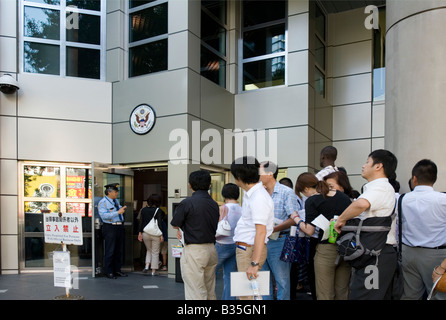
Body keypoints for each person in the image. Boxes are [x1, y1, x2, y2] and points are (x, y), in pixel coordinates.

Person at [334, 149, 398, 300]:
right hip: (376, 253)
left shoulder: (380, 187)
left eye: (367, 162)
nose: (363, 166)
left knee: (364, 296)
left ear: (378, 166)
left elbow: (361, 204)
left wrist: (341, 220)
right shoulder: (376, 188)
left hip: (376, 256)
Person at [292, 172, 352, 300]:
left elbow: (309, 230)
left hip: (326, 249)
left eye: (303, 193)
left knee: (325, 293)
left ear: (306, 189)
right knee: (342, 292)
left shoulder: (312, 200)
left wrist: (296, 219)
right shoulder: (342, 197)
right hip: (346, 248)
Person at [399, 159, 446, 300]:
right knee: (438, 294)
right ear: (435, 179)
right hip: (436, 255)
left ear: (414, 178)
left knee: (410, 295)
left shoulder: (402, 199)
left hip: (408, 253)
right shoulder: (443, 200)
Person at [170, 170, 219, 300]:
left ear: (189, 185)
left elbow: (175, 223)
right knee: (209, 288)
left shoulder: (187, 202)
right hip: (211, 249)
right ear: (209, 185)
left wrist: (181, 228)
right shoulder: (214, 204)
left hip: (195, 250)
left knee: (195, 290)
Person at [230, 156, 274, 300]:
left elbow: (261, 232)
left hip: (249, 249)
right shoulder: (253, 194)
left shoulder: (258, 197)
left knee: (245, 296)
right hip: (248, 248)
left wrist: (254, 263)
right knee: (252, 294)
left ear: (239, 177)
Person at [259, 161, 299, 300]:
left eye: (260, 172)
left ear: (270, 174)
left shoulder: (286, 192)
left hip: (279, 241)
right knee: (263, 281)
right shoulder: (258, 193)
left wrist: (272, 229)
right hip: (260, 241)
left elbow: (294, 218)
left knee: (282, 281)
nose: (257, 175)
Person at [215, 183, 242, 300]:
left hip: (221, 244)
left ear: (223, 194)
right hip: (235, 244)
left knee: (210, 274)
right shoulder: (242, 209)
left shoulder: (223, 208)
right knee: (230, 276)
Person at [97, 183, 128, 279]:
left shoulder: (116, 201)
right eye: (115, 192)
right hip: (110, 227)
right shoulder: (103, 202)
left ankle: (117, 270)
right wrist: (118, 212)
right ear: (109, 192)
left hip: (119, 226)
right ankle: (109, 271)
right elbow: (104, 216)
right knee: (110, 250)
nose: (117, 193)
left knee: (118, 250)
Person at [138, 193, 165, 276]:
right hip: (156, 234)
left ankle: (146, 266)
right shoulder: (159, 210)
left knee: (149, 250)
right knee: (155, 252)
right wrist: (161, 235)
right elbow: (159, 223)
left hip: (145, 233)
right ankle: (153, 270)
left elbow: (141, 222)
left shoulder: (143, 210)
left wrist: (140, 233)